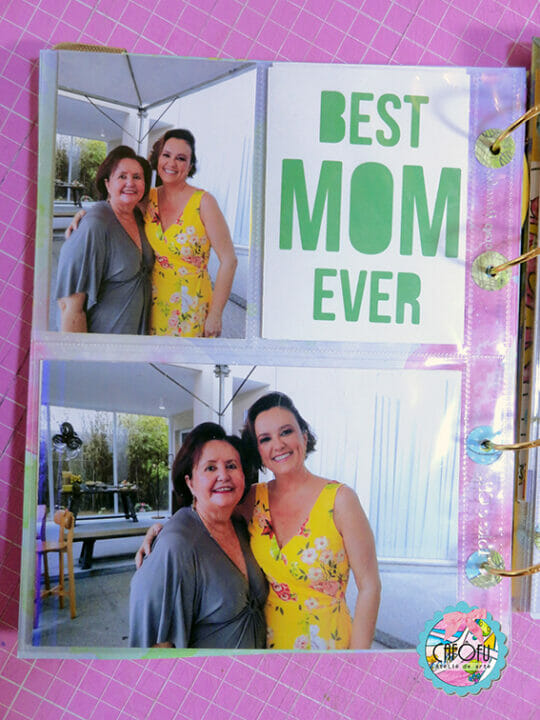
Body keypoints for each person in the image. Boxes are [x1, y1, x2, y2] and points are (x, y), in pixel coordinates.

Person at [137, 393, 381, 651]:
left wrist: (357, 661)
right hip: (268, 649)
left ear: (304, 436)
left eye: (286, 432)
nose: (278, 445)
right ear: (258, 450)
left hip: (330, 647)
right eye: (265, 439)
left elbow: (370, 586)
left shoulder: (340, 500)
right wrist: (165, 531)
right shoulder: (253, 499)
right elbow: (207, 512)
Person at [66, 129, 237, 337]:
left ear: (190, 165)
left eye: (181, 158)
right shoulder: (148, 198)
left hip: (192, 305)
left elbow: (229, 260)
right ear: (158, 159)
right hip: (152, 305)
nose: (171, 163)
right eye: (167, 155)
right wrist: (87, 215)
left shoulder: (204, 202)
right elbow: (116, 207)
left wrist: (216, 314)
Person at [129, 422, 267, 649]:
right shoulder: (176, 545)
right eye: (210, 468)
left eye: (231, 466)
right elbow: (155, 648)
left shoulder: (242, 524)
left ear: (243, 475)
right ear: (190, 482)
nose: (223, 475)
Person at [56, 146, 154, 334]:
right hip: (104, 339)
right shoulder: (94, 224)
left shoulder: (140, 216)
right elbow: (69, 307)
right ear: (108, 184)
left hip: (136, 339)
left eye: (137, 177)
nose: (130, 183)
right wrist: (81, 352)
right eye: (122, 176)